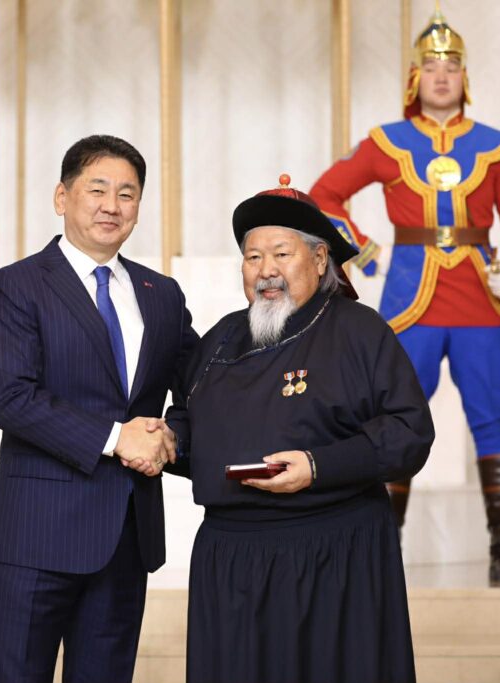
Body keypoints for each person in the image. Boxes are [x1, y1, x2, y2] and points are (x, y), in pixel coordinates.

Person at [162, 175, 432, 683]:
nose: (266, 270)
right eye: (253, 257)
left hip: (335, 553)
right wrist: (166, 442)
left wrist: (317, 465)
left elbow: (410, 431)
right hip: (232, 558)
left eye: (281, 254)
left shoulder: (359, 330)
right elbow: (195, 425)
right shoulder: (220, 338)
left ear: (321, 258)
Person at [308, 3, 500, 584]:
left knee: (491, 420)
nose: (442, 76)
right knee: (392, 421)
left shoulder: (496, 146)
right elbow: (323, 196)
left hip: (480, 300)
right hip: (410, 299)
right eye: (432, 67)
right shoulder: (386, 142)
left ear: (465, 77)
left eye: (452, 67)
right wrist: (364, 250)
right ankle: (381, 552)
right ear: (415, 76)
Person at [0, 134, 198, 683]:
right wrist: (118, 437)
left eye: (127, 194)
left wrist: (170, 436)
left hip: (126, 536)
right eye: (97, 190)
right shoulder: (14, 286)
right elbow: (11, 398)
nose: (111, 206)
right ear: (62, 197)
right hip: (34, 533)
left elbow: (201, 386)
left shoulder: (161, 294)